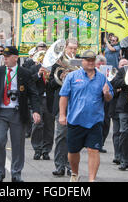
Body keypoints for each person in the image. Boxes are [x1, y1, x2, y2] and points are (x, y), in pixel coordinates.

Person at [0, 46, 41, 182]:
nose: (5, 59)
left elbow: (33, 94)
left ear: (15, 58)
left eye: (7, 56)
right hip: (1, 112)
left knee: (18, 143)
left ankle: (16, 173)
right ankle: (0, 172)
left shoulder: (25, 73)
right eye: (4, 56)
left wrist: (36, 111)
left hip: (17, 112)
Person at [59, 50, 113, 182]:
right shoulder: (72, 76)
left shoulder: (102, 78)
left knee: (93, 150)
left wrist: (106, 93)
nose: (90, 62)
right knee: (73, 152)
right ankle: (75, 173)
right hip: (75, 120)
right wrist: (62, 114)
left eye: (92, 60)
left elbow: (109, 98)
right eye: (87, 60)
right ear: (82, 61)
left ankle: (91, 180)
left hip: (95, 121)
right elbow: (64, 96)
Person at [48, 39, 78, 177]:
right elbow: (50, 85)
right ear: (65, 49)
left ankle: (71, 166)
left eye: (75, 49)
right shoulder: (57, 64)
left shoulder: (79, 64)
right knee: (60, 136)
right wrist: (60, 77)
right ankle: (60, 165)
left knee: (73, 137)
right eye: (70, 48)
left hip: (76, 105)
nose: (72, 51)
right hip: (62, 105)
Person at [29, 46, 54, 161]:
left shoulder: (53, 69)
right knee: (37, 124)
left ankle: (46, 150)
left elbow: (55, 84)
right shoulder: (34, 68)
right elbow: (30, 81)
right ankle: (37, 149)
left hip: (50, 99)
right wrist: (39, 74)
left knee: (49, 126)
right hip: (38, 100)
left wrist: (50, 79)